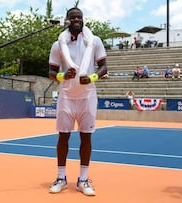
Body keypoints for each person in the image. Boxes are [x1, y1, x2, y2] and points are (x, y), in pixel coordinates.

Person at [48, 7, 107, 196]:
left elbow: (104, 67)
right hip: (66, 96)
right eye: (73, 17)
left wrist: (91, 78)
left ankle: (83, 180)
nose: (76, 19)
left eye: (79, 17)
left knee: (86, 137)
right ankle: (61, 178)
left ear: (83, 20)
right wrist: (63, 75)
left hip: (87, 95)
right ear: (67, 20)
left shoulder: (94, 40)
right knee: (63, 137)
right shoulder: (58, 44)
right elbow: (50, 73)